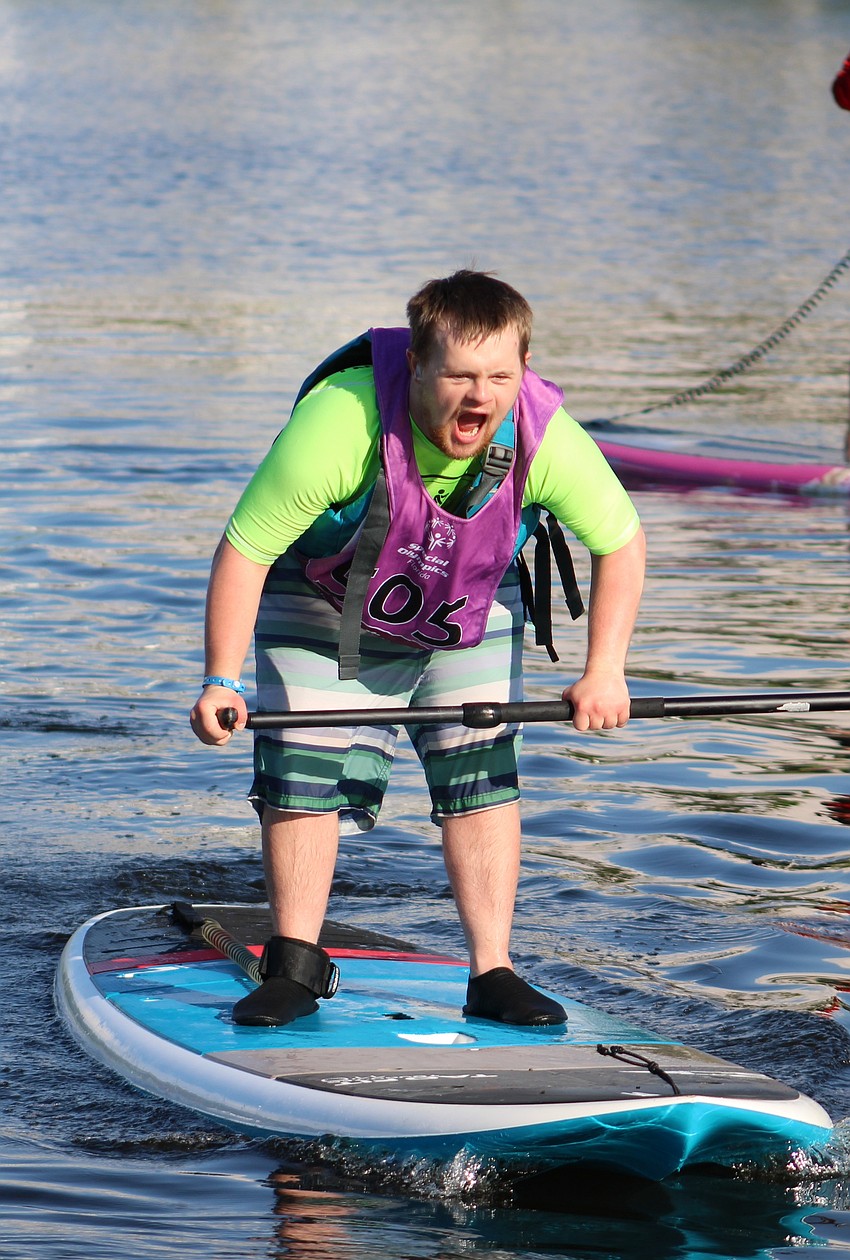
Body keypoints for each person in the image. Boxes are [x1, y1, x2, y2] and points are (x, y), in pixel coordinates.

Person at [190, 270, 646, 1029]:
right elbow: (243, 551)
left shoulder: (543, 432)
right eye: (461, 375)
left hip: (464, 606)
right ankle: (295, 964)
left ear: (522, 372)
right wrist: (220, 680)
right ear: (416, 368)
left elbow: (622, 543)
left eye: (500, 375)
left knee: (481, 771)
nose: (482, 396)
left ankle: (492, 971)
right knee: (304, 762)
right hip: (323, 598)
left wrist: (605, 669)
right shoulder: (340, 425)